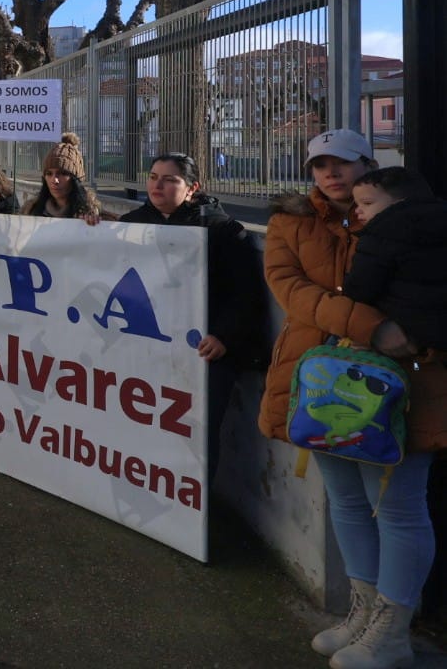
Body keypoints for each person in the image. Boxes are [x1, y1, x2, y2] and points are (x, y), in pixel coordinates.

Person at [258, 129, 446, 668]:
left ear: (368, 164)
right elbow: (289, 287)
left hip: (408, 379)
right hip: (321, 380)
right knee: (346, 501)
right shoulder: (289, 221)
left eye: (341, 164)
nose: (330, 175)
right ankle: (363, 615)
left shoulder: (407, 216)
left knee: (399, 506)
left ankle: (393, 630)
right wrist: (372, 325)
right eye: (319, 166)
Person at [119, 153, 267, 480]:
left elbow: (246, 294)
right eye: (154, 176)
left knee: (194, 434)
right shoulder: (129, 224)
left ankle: (196, 510)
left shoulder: (223, 230)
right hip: (147, 349)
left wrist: (224, 336)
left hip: (204, 353)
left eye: (170, 179)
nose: (158, 185)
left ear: (192, 187)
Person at [345, 167, 447, 353]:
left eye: (366, 203)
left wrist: (346, 289)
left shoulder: (380, 232)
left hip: (405, 329)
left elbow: (361, 287)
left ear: (400, 202)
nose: (357, 211)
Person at [23, 133, 101, 223]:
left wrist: (92, 225)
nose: (54, 180)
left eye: (63, 173)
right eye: (49, 173)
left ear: (75, 179)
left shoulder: (91, 214)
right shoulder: (30, 211)